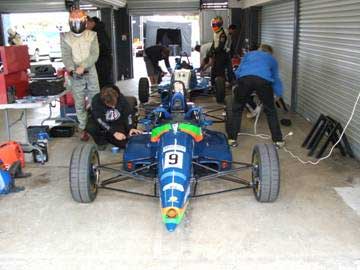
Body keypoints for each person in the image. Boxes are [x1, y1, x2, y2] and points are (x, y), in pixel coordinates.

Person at [226, 44, 284, 147]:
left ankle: (232, 140)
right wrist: (278, 94)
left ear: (259, 50)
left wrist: (240, 83)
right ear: (269, 53)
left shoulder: (249, 55)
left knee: (237, 109)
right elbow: (275, 78)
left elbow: (238, 71)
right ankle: (278, 141)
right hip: (263, 81)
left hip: (245, 79)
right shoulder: (272, 59)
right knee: (270, 111)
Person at [61, 9, 100, 141]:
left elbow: (95, 54)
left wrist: (83, 66)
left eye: (79, 21)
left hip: (90, 71)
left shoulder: (92, 35)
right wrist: (72, 69)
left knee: (95, 100)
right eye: (74, 22)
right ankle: (83, 128)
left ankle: (98, 126)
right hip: (75, 74)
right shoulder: (65, 37)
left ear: (84, 21)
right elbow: (66, 56)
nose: (77, 25)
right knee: (79, 103)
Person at [86, 85, 142, 149]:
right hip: (102, 121)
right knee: (90, 127)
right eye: (110, 105)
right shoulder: (96, 101)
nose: (113, 107)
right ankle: (101, 141)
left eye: (114, 104)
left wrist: (131, 127)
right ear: (104, 101)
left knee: (125, 142)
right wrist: (114, 132)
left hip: (116, 121)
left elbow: (128, 114)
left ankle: (109, 136)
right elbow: (99, 120)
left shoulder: (121, 98)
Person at [86, 16, 113, 88]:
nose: (85, 28)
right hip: (102, 62)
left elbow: (104, 47)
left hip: (102, 63)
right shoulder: (99, 30)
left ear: (90, 22)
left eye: (85, 25)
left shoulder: (98, 32)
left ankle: (107, 97)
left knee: (103, 84)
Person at [208, 16, 235, 85]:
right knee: (214, 69)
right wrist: (210, 52)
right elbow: (214, 43)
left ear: (219, 25)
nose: (213, 26)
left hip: (223, 53)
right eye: (213, 25)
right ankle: (214, 84)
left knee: (219, 70)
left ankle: (222, 85)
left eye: (215, 25)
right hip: (219, 53)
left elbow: (221, 46)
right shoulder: (216, 33)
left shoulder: (223, 33)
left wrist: (213, 53)